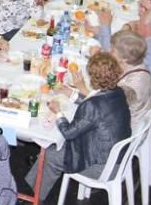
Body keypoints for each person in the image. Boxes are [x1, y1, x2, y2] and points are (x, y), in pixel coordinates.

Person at [25, 52, 131, 194]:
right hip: (118, 158)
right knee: (53, 149)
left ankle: (36, 196)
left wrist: (58, 113)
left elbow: (68, 133)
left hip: (101, 167)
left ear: (94, 78)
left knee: (51, 153)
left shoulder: (93, 105)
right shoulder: (117, 92)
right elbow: (97, 106)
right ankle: (32, 188)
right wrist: (71, 93)